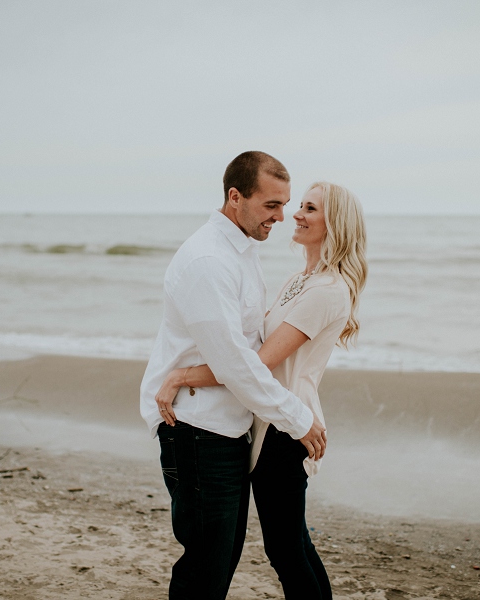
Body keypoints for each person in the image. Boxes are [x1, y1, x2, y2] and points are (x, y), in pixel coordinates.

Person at [155, 181, 368, 600]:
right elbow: (249, 352)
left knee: (287, 548)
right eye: (298, 205)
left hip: (287, 428)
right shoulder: (301, 279)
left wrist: (182, 376)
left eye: (309, 208)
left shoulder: (326, 290)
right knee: (290, 545)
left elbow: (256, 363)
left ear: (335, 224)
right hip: (271, 422)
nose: (296, 214)